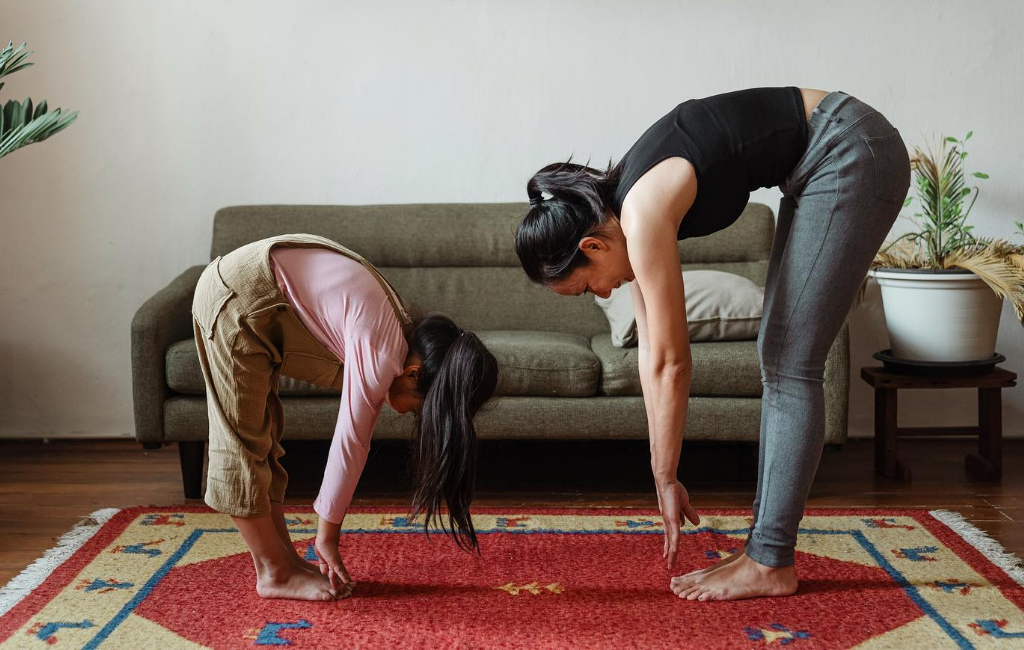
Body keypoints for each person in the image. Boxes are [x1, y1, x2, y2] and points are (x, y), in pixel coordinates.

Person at [514, 87, 910, 601]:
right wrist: (663, 472)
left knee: (790, 363)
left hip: (850, 147)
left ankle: (770, 562)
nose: (604, 292)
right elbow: (651, 355)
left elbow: (675, 362)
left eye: (590, 284)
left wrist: (666, 474)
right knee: (781, 356)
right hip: (826, 157)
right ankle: (765, 555)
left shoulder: (642, 212)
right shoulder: (625, 210)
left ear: (592, 246)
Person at [191, 233, 499, 601]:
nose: (412, 416)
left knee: (263, 445)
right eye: (421, 408)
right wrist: (327, 538)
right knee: (241, 448)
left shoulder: (398, 333)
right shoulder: (382, 351)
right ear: (414, 374)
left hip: (254, 299)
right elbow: (351, 442)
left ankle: (284, 561)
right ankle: (274, 573)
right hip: (237, 298)